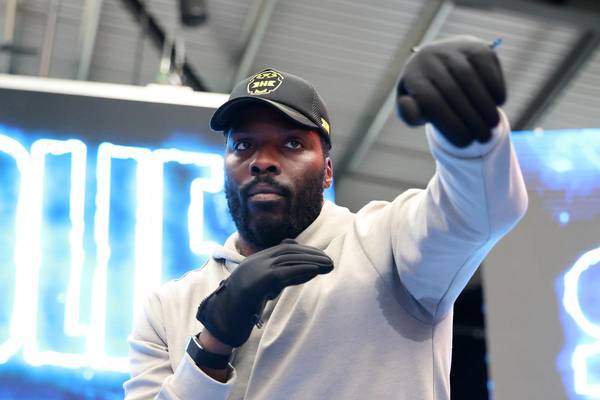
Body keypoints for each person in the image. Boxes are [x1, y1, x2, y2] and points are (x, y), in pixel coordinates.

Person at [123, 36, 528, 400]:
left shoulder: (386, 243)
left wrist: (470, 140)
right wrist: (212, 344)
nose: (262, 161)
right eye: (243, 145)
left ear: (328, 171)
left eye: (292, 144)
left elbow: (478, 212)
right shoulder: (169, 306)